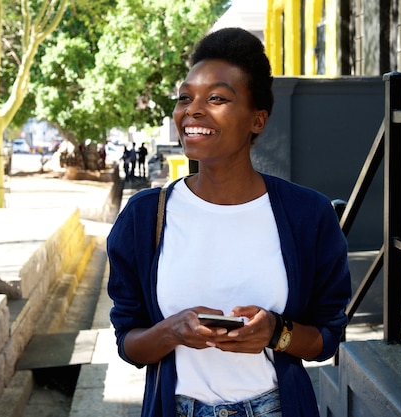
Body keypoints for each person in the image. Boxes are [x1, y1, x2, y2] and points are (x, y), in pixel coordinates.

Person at [107, 27, 351, 417]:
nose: (193, 110)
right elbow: (128, 343)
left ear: (257, 120)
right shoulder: (144, 217)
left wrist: (275, 332)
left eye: (217, 98)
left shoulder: (308, 215)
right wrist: (173, 331)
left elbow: (326, 340)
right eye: (185, 98)